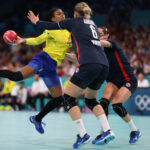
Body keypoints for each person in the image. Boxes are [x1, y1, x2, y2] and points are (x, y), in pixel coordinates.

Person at [27, 2, 115, 148]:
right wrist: (65, 53)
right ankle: (107, 131)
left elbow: (52, 26)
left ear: (75, 13)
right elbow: (81, 46)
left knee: (67, 98)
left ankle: (83, 135)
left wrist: (37, 22)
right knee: (92, 100)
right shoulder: (92, 24)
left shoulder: (73, 22)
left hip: (89, 64)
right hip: (103, 64)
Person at [0, 8, 72, 128]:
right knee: (17, 76)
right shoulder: (51, 29)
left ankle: (37, 119)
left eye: (63, 13)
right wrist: (23, 40)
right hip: (43, 59)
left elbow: (66, 50)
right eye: (58, 14)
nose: (62, 15)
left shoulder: (68, 31)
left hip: (51, 66)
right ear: (52, 19)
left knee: (59, 99)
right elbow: (38, 40)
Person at [98, 27, 141, 144]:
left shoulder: (111, 44)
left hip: (128, 80)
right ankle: (104, 132)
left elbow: (101, 42)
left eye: (100, 34)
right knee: (103, 103)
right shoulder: (98, 52)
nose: (97, 35)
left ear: (106, 35)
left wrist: (86, 39)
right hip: (113, 81)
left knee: (116, 105)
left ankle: (135, 130)